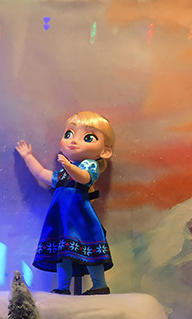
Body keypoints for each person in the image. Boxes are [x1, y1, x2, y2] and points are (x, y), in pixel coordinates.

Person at [15, 111, 116, 295]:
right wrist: (27, 156)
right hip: (62, 221)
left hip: (81, 219)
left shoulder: (89, 165)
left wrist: (69, 166)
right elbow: (41, 174)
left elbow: (84, 178)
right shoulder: (62, 174)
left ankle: (99, 285)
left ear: (105, 151)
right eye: (69, 134)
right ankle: (63, 287)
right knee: (63, 254)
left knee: (91, 251)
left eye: (88, 137)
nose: (74, 141)